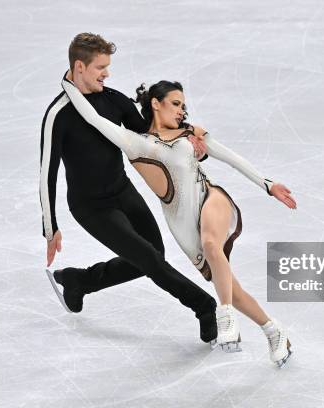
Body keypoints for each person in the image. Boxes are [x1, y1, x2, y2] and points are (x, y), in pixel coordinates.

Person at [60, 77, 297, 367]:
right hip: (182, 224)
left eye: (183, 106)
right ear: (155, 104)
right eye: (175, 104)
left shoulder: (190, 134)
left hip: (211, 199)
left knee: (212, 244)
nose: (181, 111)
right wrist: (69, 82)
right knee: (230, 287)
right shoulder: (135, 144)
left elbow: (230, 157)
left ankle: (225, 318)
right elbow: (94, 119)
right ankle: (273, 330)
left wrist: (267, 183)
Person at [39, 33, 218, 346]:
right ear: (79, 67)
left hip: (123, 192)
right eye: (101, 68)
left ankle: (79, 280)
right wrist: (50, 227)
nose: (107, 74)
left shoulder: (112, 99)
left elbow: (150, 137)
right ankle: (204, 306)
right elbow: (46, 173)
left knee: (152, 255)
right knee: (148, 258)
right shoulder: (59, 115)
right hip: (91, 207)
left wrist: (189, 138)